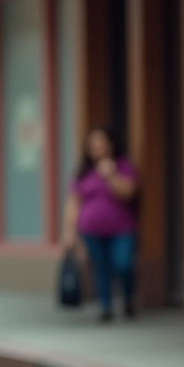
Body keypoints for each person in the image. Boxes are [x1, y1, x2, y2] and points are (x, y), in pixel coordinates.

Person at [62, 127, 140, 322]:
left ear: (110, 144)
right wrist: (69, 231)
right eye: (93, 143)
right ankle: (106, 307)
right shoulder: (84, 171)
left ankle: (129, 299)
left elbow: (128, 193)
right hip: (91, 230)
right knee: (101, 268)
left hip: (122, 228)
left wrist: (111, 175)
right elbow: (74, 202)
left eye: (101, 142)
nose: (97, 147)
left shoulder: (123, 166)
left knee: (123, 264)